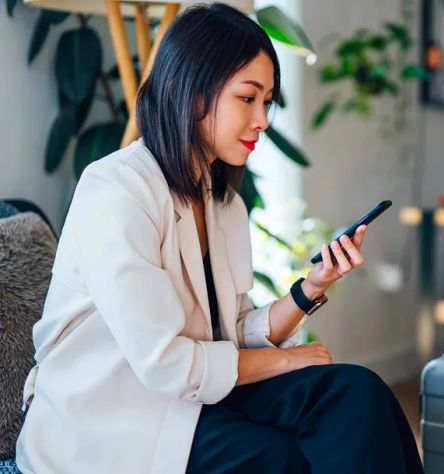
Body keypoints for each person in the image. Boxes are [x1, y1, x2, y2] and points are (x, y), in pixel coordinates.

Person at [14, 3, 423, 474]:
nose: (263, 119)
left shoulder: (224, 203)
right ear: (186, 92)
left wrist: (313, 287)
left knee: (357, 394)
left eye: (267, 101)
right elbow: (164, 363)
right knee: (284, 458)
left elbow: (234, 331)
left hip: (198, 396)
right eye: (247, 98)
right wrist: (286, 364)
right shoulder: (116, 189)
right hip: (113, 418)